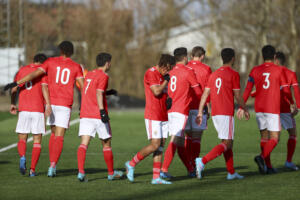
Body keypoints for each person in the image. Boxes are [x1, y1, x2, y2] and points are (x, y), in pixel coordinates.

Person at [4, 41, 85, 177]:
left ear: (60, 50)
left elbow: (34, 74)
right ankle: (52, 166)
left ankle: (47, 164)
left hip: (52, 103)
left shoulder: (50, 62)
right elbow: (83, 87)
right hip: (65, 104)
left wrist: (16, 83)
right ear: (72, 52)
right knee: (59, 136)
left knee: (53, 135)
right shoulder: (76, 66)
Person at [195, 48, 249, 180]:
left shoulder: (214, 74)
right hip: (225, 112)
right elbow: (237, 95)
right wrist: (244, 108)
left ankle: (231, 172)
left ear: (222, 58)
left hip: (215, 113)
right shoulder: (233, 74)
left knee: (226, 142)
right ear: (233, 59)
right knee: (228, 142)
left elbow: (205, 94)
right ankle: (202, 161)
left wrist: (200, 111)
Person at [125, 54, 175, 184]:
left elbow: (165, 93)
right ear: (163, 65)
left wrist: (169, 99)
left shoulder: (164, 75)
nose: (168, 71)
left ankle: (156, 177)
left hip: (164, 114)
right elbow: (156, 91)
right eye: (168, 68)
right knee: (155, 145)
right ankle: (131, 164)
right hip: (153, 115)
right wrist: (166, 81)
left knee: (160, 146)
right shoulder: (151, 73)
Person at [241, 45, 288, 174]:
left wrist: (242, 106)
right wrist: (291, 102)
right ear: (274, 56)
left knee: (264, 137)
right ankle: (261, 158)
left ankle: (267, 166)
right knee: (275, 138)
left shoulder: (255, 70)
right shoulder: (279, 70)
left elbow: (247, 89)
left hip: (259, 108)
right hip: (272, 108)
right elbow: (286, 90)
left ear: (262, 56)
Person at [77, 52, 122, 182]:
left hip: (85, 113)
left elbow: (90, 91)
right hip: (97, 114)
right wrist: (102, 111)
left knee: (84, 143)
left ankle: (80, 172)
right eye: (110, 62)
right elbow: (97, 93)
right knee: (106, 144)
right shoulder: (104, 76)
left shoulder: (90, 74)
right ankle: (111, 173)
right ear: (107, 63)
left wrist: (108, 92)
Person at [160, 47, 202, 179]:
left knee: (179, 141)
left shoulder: (170, 71)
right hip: (181, 110)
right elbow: (198, 92)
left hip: (170, 110)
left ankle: (190, 169)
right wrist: (204, 104)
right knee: (175, 139)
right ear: (185, 57)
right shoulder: (188, 71)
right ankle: (164, 169)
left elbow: (165, 90)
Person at [10, 53, 51, 176]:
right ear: (44, 63)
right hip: (38, 109)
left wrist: (13, 103)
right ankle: (32, 170)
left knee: (22, 138)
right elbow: (44, 88)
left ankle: (22, 157)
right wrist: (48, 104)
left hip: (23, 109)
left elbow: (14, 88)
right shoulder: (42, 72)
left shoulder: (22, 70)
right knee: (37, 141)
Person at [185, 46, 212, 168]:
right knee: (197, 137)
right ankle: (196, 164)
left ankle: (189, 164)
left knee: (187, 136)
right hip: (199, 106)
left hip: (185, 106)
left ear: (191, 55)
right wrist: (208, 107)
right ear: (202, 56)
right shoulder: (206, 69)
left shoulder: (185, 67)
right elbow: (208, 90)